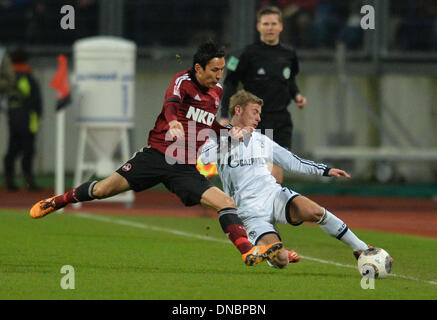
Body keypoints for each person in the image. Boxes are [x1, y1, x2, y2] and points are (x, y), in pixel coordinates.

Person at [29, 41, 282, 267]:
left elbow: (208, 124)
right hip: (156, 156)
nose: (219, 75)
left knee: (226, 203)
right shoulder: (182, 81)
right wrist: (173, 123)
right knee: (103, 190)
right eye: (214, 70)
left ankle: (248, 252)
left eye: (222, 70)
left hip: (182, 167)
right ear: (198, 68)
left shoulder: (216, 93)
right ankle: (58, 201)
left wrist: (229, 132)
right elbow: (171, 105)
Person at [202, 90, 387, 269]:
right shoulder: (218, 136)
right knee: (281, 261)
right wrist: (232, 140)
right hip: (249, 213)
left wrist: (325, 170)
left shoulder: (261, 140)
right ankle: (273, 253)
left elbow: (292, 161)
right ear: (238, 110)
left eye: (259, 113)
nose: (258, 118)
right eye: (255, 112)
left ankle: (362, 249)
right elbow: (204, 158)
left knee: (314, 211)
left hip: (273, 196)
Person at [220, 5, 307, 185]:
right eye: (266, 23)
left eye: (274, 23)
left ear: (281, 26)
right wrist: (223, 114)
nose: (270, 27)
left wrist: (296, 95)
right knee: (256, 167)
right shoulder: (245, 54)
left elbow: (289, 79)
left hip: (281, 118)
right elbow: (229, 82)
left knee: (277, 166)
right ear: (258, 26)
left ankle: (269, 209)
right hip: (255, 120)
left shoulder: (289, 54)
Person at [3, 48, 42, 191]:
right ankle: (29, 182)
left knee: (12, 151)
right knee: (28, 152)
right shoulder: (27, 77)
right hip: (28, 121)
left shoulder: (10, 78)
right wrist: (38, 116)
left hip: (13, 120)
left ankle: (9, 180)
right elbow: (36, 101)